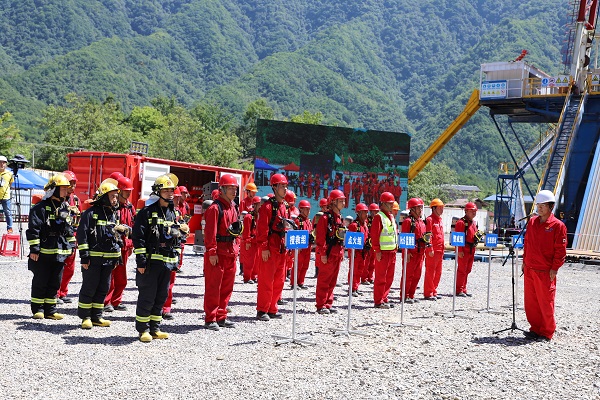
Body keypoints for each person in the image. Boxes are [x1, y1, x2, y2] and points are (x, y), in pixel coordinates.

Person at [133, 173, 183, 342]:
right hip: (150, 262)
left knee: (161, 296)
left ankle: (155, 328)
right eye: (166, 190)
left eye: (172, 190)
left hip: (167, 262)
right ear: (157, 192)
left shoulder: (172, 212)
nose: (170, 193)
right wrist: (141, 261)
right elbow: (138, 237)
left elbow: (177, 237)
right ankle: (143, 330)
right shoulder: (146, 212)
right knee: (147, 295)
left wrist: (177, 252)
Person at [26, 174, 75, 320]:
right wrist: (34, 249)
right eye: (63, 188)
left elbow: (68, 228)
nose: (66, 191)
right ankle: (38, 309)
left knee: (55, 282)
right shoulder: (40, 208)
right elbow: (34, 229)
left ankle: (50, 310)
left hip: (59, 252)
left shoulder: (64, 207)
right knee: (41, 281)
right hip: (43, 252)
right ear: (54, 190)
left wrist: (72, 244)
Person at [76, 178, 123, 329]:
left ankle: (97, 316)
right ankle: (85, 317)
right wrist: (84, 257)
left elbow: (117, 238)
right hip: (93, 259)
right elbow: (82, 236)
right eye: (112, 196)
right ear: (104, 197)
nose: (115, 199)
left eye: (116, 196)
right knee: (90, 287)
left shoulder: (114, 214)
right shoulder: (90, 214)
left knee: (103, 288)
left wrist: (118, 257)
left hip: (109, 260)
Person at [522, 190, 567, 341]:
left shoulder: (558, 226)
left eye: (543, 205)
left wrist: (555, 268)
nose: (539, 208)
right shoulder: (532, 222)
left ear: (551, 206)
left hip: (545, 271)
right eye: (538, 205)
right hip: (530, 268)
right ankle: (535, 328)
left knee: (546, 302)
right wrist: (524, 261)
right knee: (531, 302)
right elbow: (527, 243)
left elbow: (560, 250)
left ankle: (547, 332)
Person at [202, 174, 241, 330]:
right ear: (222, 189)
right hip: (218, 254)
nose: (234, 191)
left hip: (230, 252)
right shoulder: (214, 208)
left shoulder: (233, 207)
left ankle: (221, 316)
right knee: (214, 287)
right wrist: (212, 252)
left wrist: (237, 248)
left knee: (227, 287)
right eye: (230, 188)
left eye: (235, 188)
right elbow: (210, 233)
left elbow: (236, 230)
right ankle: (210, 318)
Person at [255, 173, 290, 321]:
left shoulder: (284, 207)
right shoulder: (267, 207)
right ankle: (262, 310)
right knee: (266, 280)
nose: (285, 189)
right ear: (274, 187)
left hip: (281, 249)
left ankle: (272, 308)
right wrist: (264, 248)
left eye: (286, 186)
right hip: (270, 249)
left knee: (279, 280)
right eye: (282, 186)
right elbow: (262, 229)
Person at [104, 176, 136, 313]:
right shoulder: (112, 207)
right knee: (110, 275)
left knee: (121, 277)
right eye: (126, 191)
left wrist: (131, 244)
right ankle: (106, 302)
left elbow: (133, 225)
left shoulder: (130, 207)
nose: (128, 193)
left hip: (125, 247)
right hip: (113, 246)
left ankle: (116, 300)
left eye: (129, 191)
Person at [315, 189, 346, 314]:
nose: (343, 203)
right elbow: (321, 238)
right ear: (333, 202)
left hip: (336, 254)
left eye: (343, 200)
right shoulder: (325, 218)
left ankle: (328, 303)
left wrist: (342, 252)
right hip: (328, 254)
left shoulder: (339, 217)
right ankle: (321, 305)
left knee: (332, 280)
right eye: (341, 201)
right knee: (324, 280)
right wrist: (322, 253)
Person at [57, 170, 81, 303]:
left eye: (74, 183)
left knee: (70, 269)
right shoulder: (57, 199)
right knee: (58, 267)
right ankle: (55, 293)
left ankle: (63, 292)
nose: (73, 186)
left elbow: (81, 219)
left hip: (72, 239)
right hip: (59, 239)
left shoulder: (75, 200)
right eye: (70, 183)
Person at [371, 192, 398, 308]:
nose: (392, 205)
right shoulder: (379, 217)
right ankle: (378, 301)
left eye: (392, 203)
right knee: (381, 277)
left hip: (392, 252)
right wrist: (377, 251)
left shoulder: (390, 216)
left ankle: (384, 297)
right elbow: (375, 235)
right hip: (383, 253)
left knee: (389, 277)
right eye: (390, 203)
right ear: (383, 203)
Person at [400, 197, 426, 303]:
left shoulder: (421, 221)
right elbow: (404, 238)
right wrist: (407, 252)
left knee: (417, 275)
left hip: (420, 252)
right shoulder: (408, 222)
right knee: (408, 275)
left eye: (421, 208)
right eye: (418, 208)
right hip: (411, 253)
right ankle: (405, 295)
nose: (420, 210)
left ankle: (411, 295)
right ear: (412, 209)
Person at [455, 202, 480, 297]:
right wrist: (459, 250)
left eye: (475, 211)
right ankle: (459, 290)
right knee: (462, 270)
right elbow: (458, 237)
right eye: (472, 211)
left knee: (468, 270)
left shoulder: (473, 223)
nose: (474, 213)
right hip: (464, 250)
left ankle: (464, 289)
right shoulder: (461, 223)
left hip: (471, 249)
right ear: (466, 211)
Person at [424, 198, 445, 300]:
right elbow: (428, 235)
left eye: (442, 207)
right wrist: (430, 248)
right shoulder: (430, 220)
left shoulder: (440, 220)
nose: (442, 209)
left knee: (438, 272)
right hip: (433, 251)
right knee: (430, 272)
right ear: (434, 208)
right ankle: (428, 293)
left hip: (440, 250)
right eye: (440, 207)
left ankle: (434, 290)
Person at [290, 200, 313, 289]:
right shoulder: (298, 220)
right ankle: (294, 283)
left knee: (305, 265)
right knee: (298, 265)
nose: (308, 211)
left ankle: (300, 282)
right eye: (306, 209)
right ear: (301, 209)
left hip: (308, 246)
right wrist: (296, 247)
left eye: (309, 209)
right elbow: (294, 233)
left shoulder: (308, 221)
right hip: (300, 247)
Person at [348, 203, 369, 296]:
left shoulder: (364, 225)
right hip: (356, 253)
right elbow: (350, 241)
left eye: (367, 212)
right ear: (359, 213)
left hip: (363, 252)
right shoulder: (354, 225)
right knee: (354, 270)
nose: (366, 214)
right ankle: (352, 288)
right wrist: (352, 254)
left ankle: (356, 287)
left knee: (360, 270)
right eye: (364, 212)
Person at [241, 196, 261, 284]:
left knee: (256, 260)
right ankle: (247, 277)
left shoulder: (259, 216)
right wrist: (247, 241)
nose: (261, 207)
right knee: (249, 260)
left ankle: (254, 276)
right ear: (255, 205)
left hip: (257, 242)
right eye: (259, 205)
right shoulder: (249, 217)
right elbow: (246, 231)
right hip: (250, 242)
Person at [0, 155, 14, 234]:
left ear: (6, 164)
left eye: (3, 163)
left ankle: (9, 228)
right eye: (0, 162)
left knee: (8, 213)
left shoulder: (9, 174)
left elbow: (10, 184)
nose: (2, 164)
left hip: (5, 196)